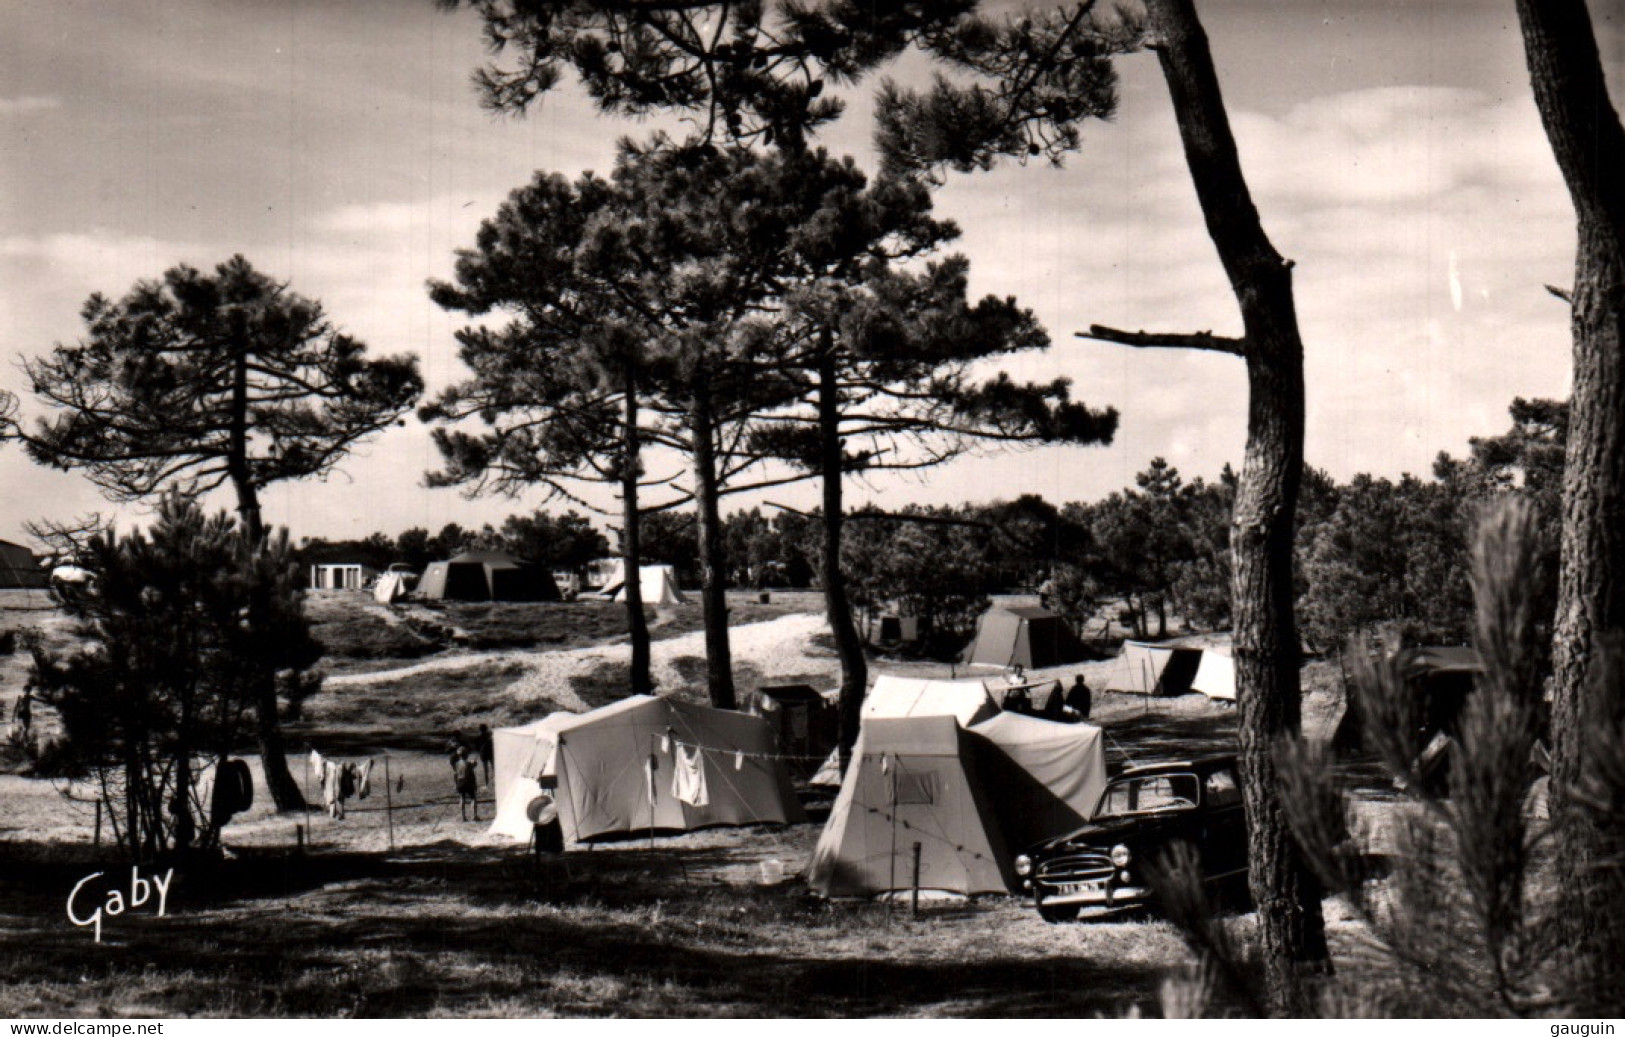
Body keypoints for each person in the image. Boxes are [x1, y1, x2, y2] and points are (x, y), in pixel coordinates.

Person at [453, 747, 481, 822]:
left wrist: (456, 784)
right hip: (468, 783)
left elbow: (455, 775)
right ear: (466, 755)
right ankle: (474, 816)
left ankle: (463, 817)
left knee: (462, 798)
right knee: (473, 798)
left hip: (460, 782)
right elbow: (474, 765)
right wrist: (474, 762)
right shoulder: (468, 764)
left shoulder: (456, 764)